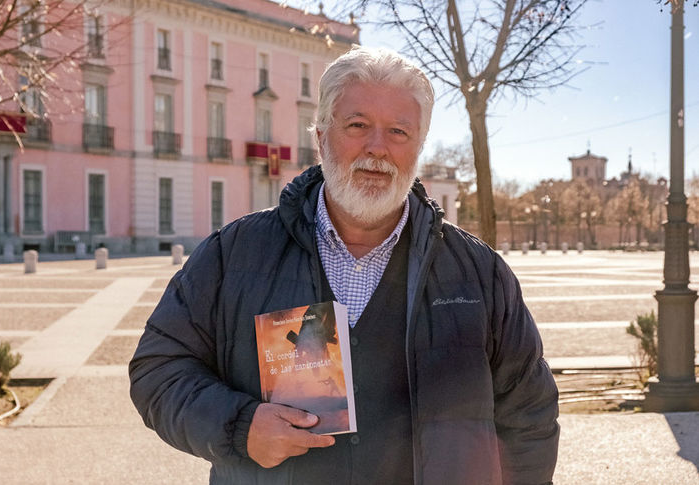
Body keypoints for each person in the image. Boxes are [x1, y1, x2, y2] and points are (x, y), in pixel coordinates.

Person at [129, 46, 559, 485]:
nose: (378, 148)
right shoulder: (233, 255)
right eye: (358, 126)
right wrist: (240, 426)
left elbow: (529, 419)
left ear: (418, 148)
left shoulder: (479, 274)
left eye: (398, 131)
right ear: (320, 136)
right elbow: (159, 369)